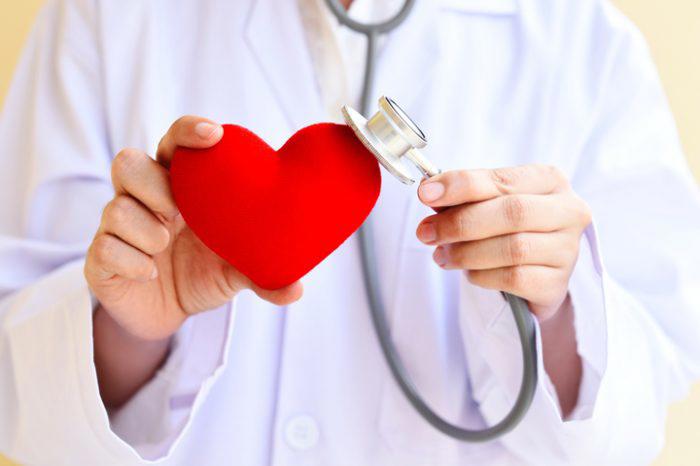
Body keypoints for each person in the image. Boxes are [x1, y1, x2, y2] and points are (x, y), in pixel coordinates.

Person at [0, 0, 699, 464]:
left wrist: (555, 300)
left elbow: (638, 402)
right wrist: (129, 328)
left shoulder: (581, 40)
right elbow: (23, 385)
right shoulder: (108, 16)